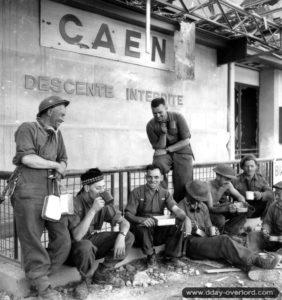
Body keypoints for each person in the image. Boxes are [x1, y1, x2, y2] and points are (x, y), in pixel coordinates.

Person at [11, 96, 71, 300]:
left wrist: (61, 168)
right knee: (32, 239)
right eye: (61, 114)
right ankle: (43, 287)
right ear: (49, 111)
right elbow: (27, 158)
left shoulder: (57, 134)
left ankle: (38, 276)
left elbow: (63, 159)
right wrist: (55, 165)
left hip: (51, 192)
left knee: (63, 238)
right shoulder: (27, 128)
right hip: (28, 192)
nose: (63, 118)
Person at [166, 180, 281, 281]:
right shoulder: (180, 208)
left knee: (230, 244)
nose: (199, 202)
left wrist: (212, 230)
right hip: (190, 244)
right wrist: (189, 227)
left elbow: (208, 227)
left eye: (201, 199)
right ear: (190, 195)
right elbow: (175, 233)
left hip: (204, 240)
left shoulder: (203, 207)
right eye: (197, 199)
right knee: (224, 241)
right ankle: (256, 259)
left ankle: (251, 268)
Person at [66, 168, 135, 300]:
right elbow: (77, 237)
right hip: (74, 250)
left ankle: (102, 273)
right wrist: (92, 211)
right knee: (85, 245)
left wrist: (121, 236)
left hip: (92, 244)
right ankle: (85, 281)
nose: (102, 191)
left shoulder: (102, 201)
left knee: (129, 236)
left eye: (104, 187)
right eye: (98, 188)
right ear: (86, 188)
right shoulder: (74, 204)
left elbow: (125, 223)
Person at [124, 164, 187, 268]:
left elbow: (174, 207)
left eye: (156, 177)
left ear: (161, 177)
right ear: (146, 177)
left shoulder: (165, 193)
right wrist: (141, 220)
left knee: (178, 223)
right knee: (144, 227)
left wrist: (179, 213)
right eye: (150, 177)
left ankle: (170, 257)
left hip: (158, 230)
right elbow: (127, 214)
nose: (153, 180)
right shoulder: (136, 192)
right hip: (141, 232)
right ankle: (150, 255)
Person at [146, 97, 194, 202]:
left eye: (160, 112)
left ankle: (181, 207)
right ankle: (161, 200)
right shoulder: (150, 125)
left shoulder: (178, 117)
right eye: (154, 113)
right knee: (157, 165)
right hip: (164, 154)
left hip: (182, 151)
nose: (157, 116)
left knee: (183, 181)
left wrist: (168, 149)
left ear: (166, 108)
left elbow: (186, 141)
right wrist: (163, 134)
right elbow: (159, 148)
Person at [207, 164, 253, 235]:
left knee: (246, 210)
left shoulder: (228, 184)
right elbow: (210, 208)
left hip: (218, 207)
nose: (228, 181)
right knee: (220, 220)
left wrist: (243, 203)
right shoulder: (208, 186)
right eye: (226, 178)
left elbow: (239, 196)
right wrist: (227, 208)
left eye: (230, 179)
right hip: (207, 211)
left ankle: (228, 231)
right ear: (218, 176)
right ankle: (221, 233)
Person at [232, 155, 274, 219]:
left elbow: (270, 193)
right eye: (247, 166)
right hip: (242, 209)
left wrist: (261, 195)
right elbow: (224, 192)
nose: (249, 169)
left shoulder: (260, 179)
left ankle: (264, 223)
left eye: (252, 166)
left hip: (257, 208)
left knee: (270, 200)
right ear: (242, 167)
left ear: (256, 167)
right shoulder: (236, 180)